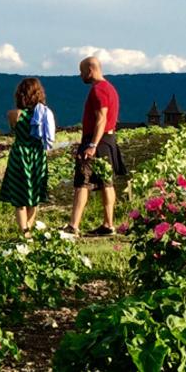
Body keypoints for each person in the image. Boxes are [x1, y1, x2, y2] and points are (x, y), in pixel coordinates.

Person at [63, 57, 126, 237]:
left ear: (90, 70)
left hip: (96, 141)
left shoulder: (98, 90)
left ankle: (73, 226)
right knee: (107, 183)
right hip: (109, 140)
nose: (80, 75)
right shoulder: (110, 88)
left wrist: (91, 145)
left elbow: (101, 118)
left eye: (82, 71)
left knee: (82, 182)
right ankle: (108, 224)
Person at [0, 78, 56, 239]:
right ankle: (28, 230)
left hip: (20, 154)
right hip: (37, 155)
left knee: (19, 197)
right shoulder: (44, 114)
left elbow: (14, 130)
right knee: (35, 196)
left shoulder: (14, 114)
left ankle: (24, 231)